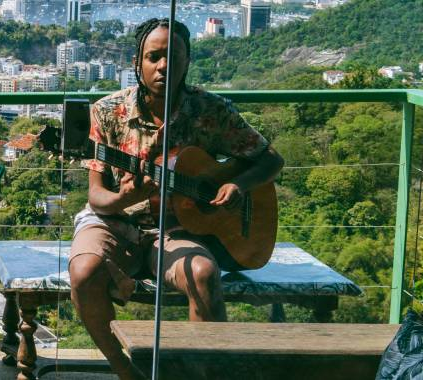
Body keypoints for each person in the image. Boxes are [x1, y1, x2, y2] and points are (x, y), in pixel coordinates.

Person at [67, 18, 284, 379]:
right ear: (138, 63)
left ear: (188, 61)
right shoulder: (107, 111)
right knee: (83, 272)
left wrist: (239, 186)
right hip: (115, 222)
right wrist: (125, 196)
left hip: (178, 228)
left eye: (174, 56)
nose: (164, 65)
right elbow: (97, 198)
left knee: (203, 274)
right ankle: (126, 371)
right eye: (154, 56)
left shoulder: (210, 111)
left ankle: (200, 373)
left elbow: (271, 159)